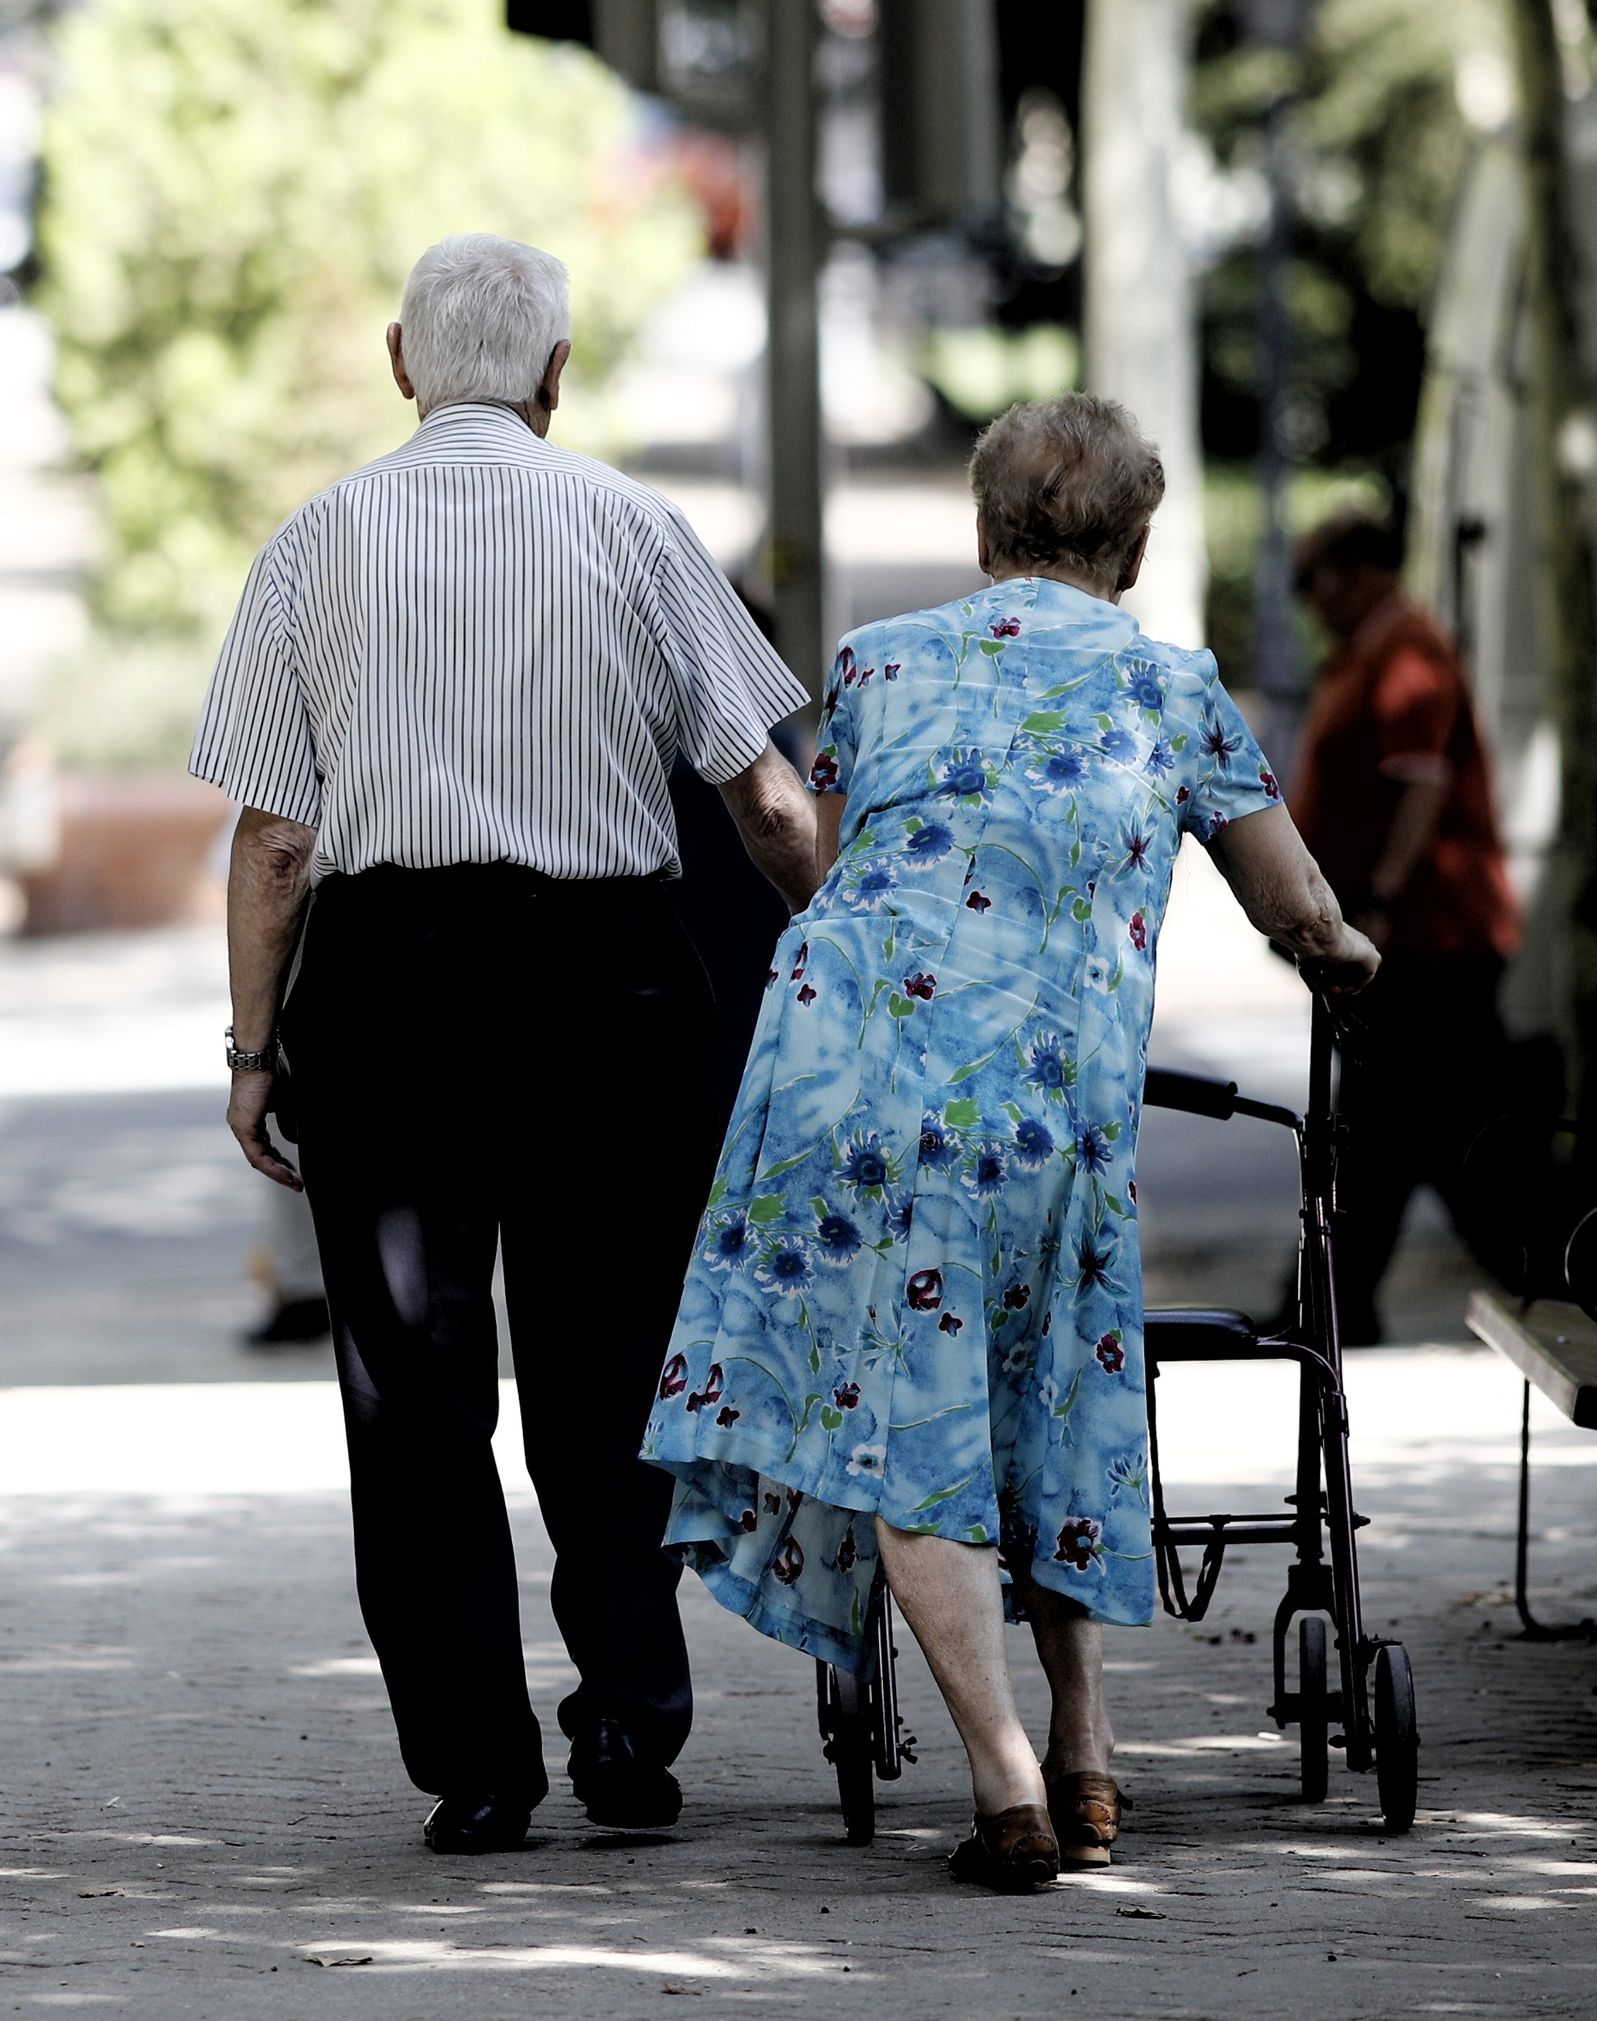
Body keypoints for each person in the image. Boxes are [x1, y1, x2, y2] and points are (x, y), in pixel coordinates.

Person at [642, 393, 1379, 1891]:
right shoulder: (1177, 690)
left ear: (985, 537)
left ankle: (1017, 1776)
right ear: (1140, 543)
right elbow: (1292, 904)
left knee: (912, 1417)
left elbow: (852, 862)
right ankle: (1070, 1751)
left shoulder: (876, 664)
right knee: (1060, 1397)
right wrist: (1345, 953)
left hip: (850, 1090)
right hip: (1049, 1113)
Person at [189, 234, 814, 1855]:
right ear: (557, 373)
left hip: (393, 993)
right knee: (609, 1370)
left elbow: (272, 841)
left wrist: (255, 1046)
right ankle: (628, 1718)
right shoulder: (635, 528)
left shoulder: (318, 542)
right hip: (610, 984)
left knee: (413, 1387)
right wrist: (840, 951)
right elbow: (764, 797)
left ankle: (477, 1761)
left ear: (403, 363)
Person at [1290, 510, 1520, 1343]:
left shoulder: (1407, 654)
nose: (1307, 602)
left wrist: (1379, 894)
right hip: (1405, 941)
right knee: (1401, 1125)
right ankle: (1333, 1297)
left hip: (1430, 938)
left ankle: (1337, 1298)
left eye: (1309, 579)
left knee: (1433, 1129)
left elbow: (1420, 782)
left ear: (1357, 571)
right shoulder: (1374, 652)